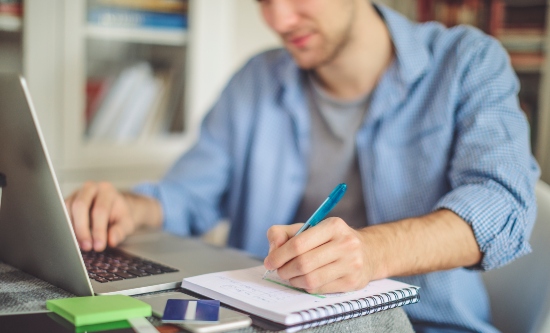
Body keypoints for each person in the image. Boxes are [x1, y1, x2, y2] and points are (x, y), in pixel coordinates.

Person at [65, 1, 540, 332]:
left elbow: (503, 207)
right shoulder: (256, 79)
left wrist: (372, 253)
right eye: (264, 0)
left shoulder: (467, 63)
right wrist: (125, 206)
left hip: (426, 325)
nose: (279, 18)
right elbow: (189, 195)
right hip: (268, 322)